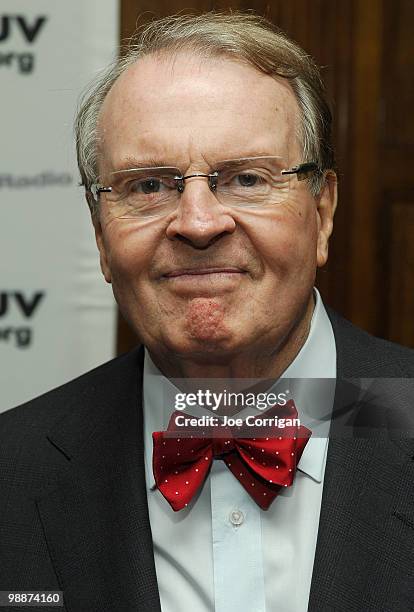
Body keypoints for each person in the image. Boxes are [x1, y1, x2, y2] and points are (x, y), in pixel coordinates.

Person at [1, 11, 413, 612]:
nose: (198, 223)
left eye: (246, 177)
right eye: (148, 186)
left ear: (322, 212)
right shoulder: (13, 472)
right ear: (99, 234)